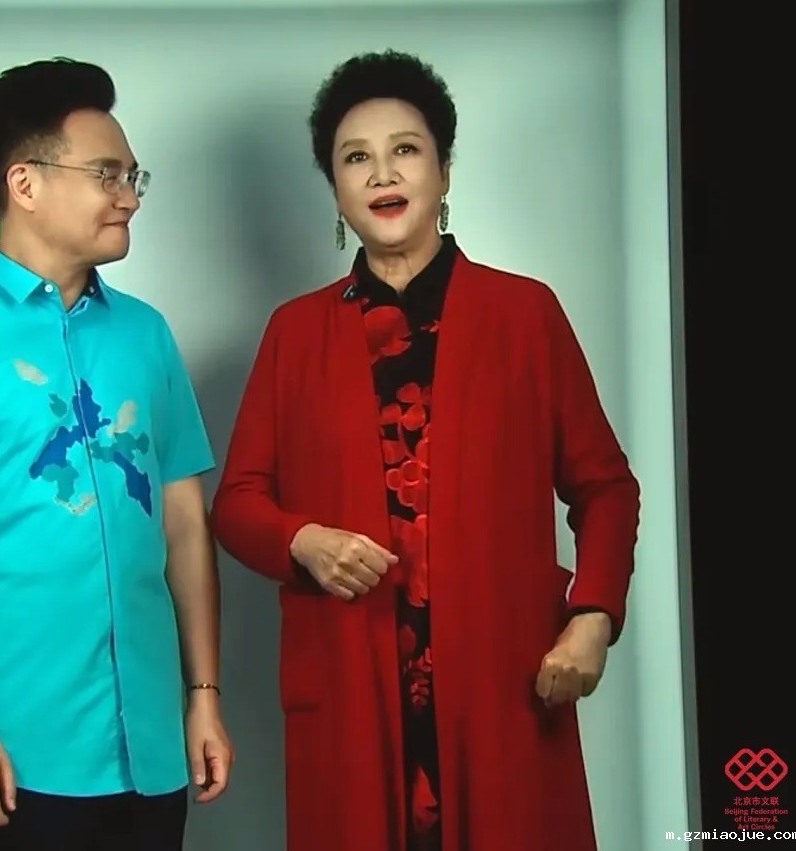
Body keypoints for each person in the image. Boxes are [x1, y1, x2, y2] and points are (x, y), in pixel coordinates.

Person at [209, 50, 640, 851]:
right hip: (350, 686)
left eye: (405, 149)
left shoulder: (524, 314)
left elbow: (606, 486)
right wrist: (303, 540)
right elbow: (236, 503)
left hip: (505, 683)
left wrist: (591, 617)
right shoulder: (295, 333)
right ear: (336, 191)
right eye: (355, 158)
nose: (383, 172)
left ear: (443, 171)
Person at [0, 57, 233, 851]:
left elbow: (184, 528)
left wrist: (202, 694)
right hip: (8, 756)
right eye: (107, 174)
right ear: (24, 183)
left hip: (150, 755)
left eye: (133, 176)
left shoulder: (146, 334)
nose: (129, 196)